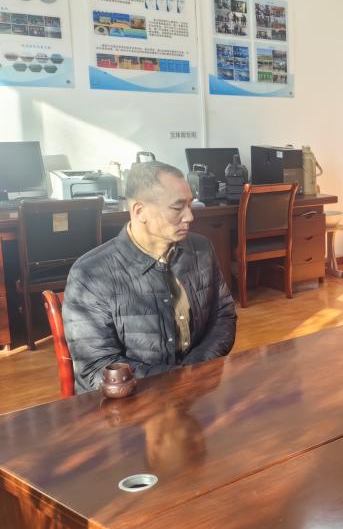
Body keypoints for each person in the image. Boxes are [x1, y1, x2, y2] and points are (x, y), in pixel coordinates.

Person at [63, 161, 236, 393]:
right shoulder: (91, 273)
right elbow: (96, 366)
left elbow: (223, 315)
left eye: (190, 204)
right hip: (131, 401)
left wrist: (194, 370)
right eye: (177, 207)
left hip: (196, 390)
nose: (190, 216)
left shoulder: (200, 250)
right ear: (139, 211)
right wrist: (176, 379)